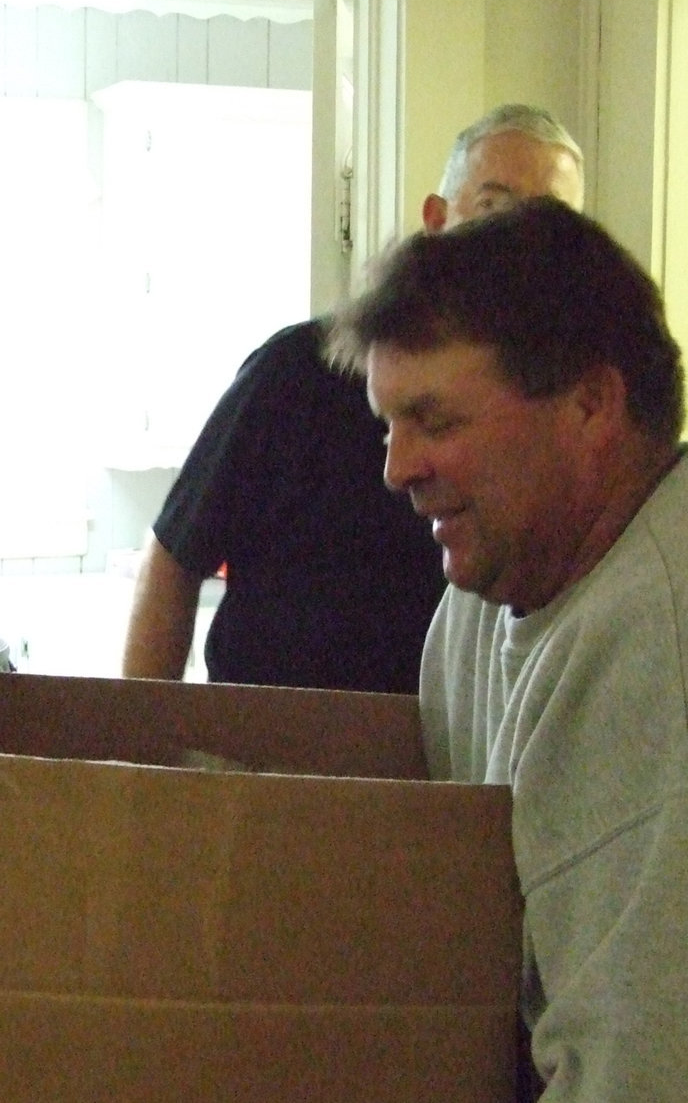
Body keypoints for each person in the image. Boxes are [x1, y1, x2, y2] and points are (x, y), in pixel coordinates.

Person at [328, 196, 688, 1101]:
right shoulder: (482, 600)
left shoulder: (658, 650)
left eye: (436, 421)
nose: (396, 467)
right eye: (388, 425)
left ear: (590, 406)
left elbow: (637, 1073)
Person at [121, 103, 584, 693]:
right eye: (493, 209)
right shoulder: (296, 372)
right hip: (261, 754)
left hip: (442, 761)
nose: (517, 247)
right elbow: (174, 556)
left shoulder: (560, 409)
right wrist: (141, 752)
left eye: (546, 225)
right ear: (438, 220)